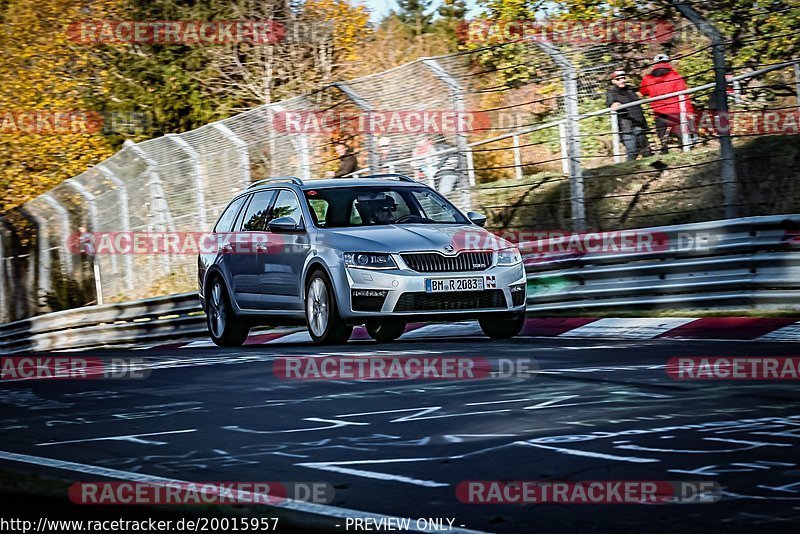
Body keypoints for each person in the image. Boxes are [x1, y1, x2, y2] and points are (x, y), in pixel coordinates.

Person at [640, 54, 695, 154]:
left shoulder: (647, 78)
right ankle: (687, 154)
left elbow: (643, 92)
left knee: (663, 139)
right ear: (668, 62)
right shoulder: (675, 76)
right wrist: (689, 111)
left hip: (658, 112)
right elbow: (684, 95)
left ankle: (665, 155)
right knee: (681, 136)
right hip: (675, 110)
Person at [605, 70, 652, 161]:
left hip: (639, 123)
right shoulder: (611, 93)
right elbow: (610, 104)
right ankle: (631, 172)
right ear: (613, 81)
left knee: (646, 150)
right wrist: (614, 104)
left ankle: (655, 169)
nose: (622, 80)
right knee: (632, 151)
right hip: (626, 127)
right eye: (618, 79)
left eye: (623, 78)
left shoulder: (631, 89)